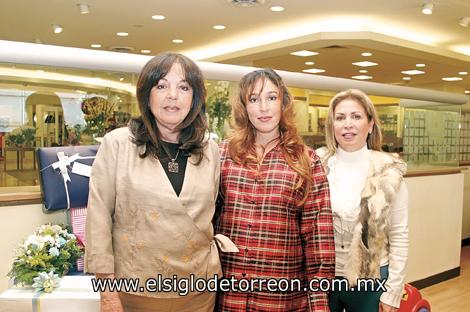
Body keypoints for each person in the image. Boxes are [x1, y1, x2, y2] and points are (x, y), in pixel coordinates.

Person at [85, 53, 230, 312]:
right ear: (146, 95)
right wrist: (106, 292)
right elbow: (98, 219)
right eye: (161, 85)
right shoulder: (118, 143)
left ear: (194, 98)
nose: (172, 95)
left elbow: (212, 214)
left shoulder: (210, 149)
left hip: (199, 291)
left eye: (184, 87)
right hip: (136, 291)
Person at [215, 68, 335, 311]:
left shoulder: (305, 161)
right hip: (228, 297)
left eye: (271, 98)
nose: (263, 108)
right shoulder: (221, 155)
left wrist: (319, 305)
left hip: (282, 299)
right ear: (243, 107)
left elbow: (318, 242)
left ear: (284, 103)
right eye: (254, 99)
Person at [316, 89, 408, 312]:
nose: (348, 124)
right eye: (340, 117)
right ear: (332, 126)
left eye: (356, 116)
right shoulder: (316, 165)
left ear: (370, 124)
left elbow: (399, 234)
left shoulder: (388, 172)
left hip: (372, 281)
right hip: (322, 280)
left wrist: (393, 291)